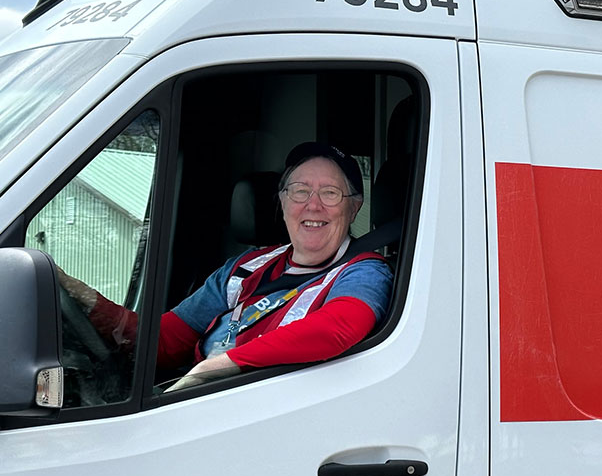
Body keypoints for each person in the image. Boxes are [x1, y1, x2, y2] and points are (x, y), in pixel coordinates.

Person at [60, 142, 393, 391]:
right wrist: (81, 296)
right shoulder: (246, 266)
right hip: (204, 406)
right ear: (282, 201)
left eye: (331, 193)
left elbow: (339, 327)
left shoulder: (365, 270)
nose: (313, 205)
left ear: (354, 208)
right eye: (299, 191)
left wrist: (220, 365)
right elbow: (160, 343)